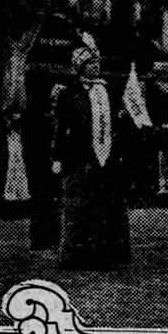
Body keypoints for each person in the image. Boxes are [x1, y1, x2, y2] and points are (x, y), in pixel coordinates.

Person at [54, 37, 132, 269]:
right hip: (81, 157)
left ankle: (110, 254)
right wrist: (57, 157)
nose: (95, 67)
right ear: (80, 68)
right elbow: (60, 128)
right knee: (81, 208)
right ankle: (78, 256)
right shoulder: (69, 94)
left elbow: (119, 122)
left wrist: (123, 126)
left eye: (96, 63)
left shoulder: (111, 91)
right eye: (89, 64)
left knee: (109, 206)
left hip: (109, 157)